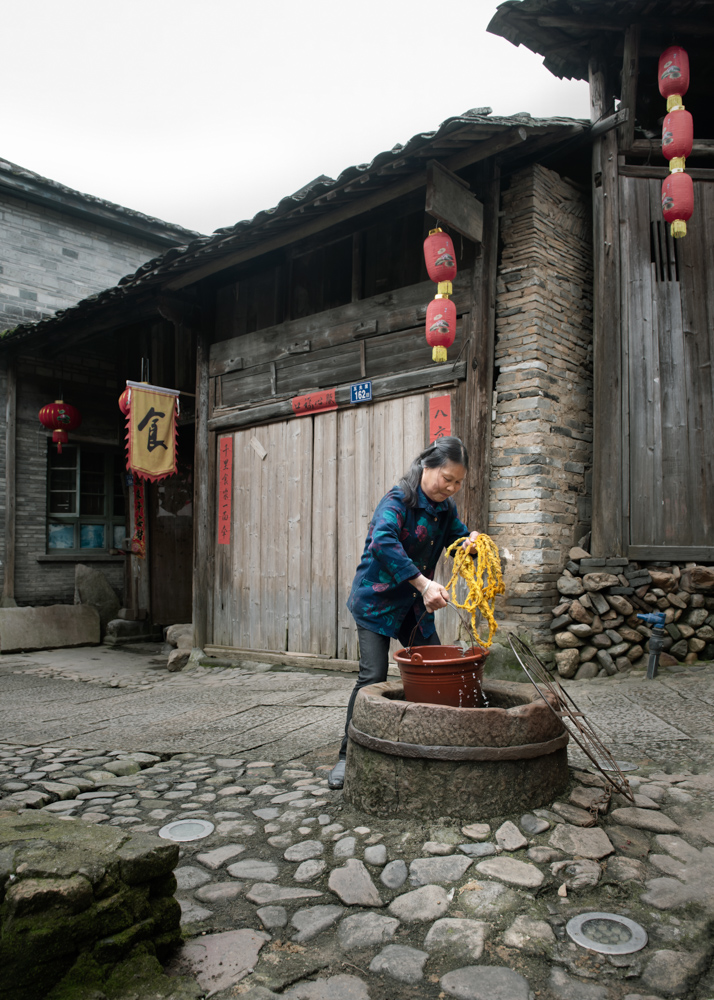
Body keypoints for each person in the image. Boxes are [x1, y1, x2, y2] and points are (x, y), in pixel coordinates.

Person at [328, 435, 479, 790]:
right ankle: (347, 756)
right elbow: (383, 541)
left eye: (459, 482)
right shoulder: (398, 500)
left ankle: (435, 747)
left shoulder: (446, 509)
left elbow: (457, 543)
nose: (453, 488)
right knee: (373, 677)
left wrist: (473, 545)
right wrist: (425, 584)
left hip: (414, 605)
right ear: (428, 466)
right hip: (376, 601)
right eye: (448, 479)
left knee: (437, 670)